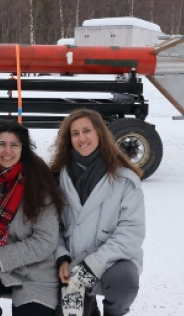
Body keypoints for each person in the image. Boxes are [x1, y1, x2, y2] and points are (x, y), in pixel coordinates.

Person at [0, 119, 65, 316]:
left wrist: (2, 257)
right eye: (1, 144)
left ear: (22, 149)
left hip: (35, 272)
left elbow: (46, 240)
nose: (8, 151)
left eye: (14, 144)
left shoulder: (38, 184)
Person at [48, 109, 145, 316]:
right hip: (72, 261)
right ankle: (88, 308)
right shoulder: (57, 178)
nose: (81, 138)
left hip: (112, 259)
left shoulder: (124, 180)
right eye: (75, 133)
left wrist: (94, 263)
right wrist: (62, 257)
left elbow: (131, 232)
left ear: (99, 133)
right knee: (70, 312)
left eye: (87, 131)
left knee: (124, 282)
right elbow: (52, 226)